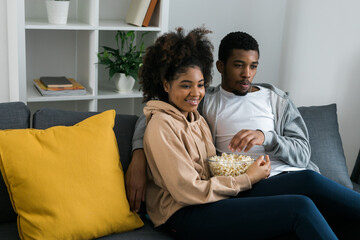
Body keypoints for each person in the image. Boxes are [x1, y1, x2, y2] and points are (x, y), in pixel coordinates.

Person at [128, 27, 360, 239]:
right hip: (184, 212)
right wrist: (138, 156)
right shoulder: (166, 122)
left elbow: (207, 171)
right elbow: (186, 189)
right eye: (185, 85)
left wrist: (256, 156)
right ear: (166, 85)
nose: (196, 92)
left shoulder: (196, 119)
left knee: (307, 198)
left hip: (213, 198)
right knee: (301, 206)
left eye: (199, 84)